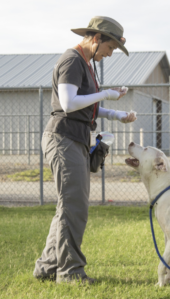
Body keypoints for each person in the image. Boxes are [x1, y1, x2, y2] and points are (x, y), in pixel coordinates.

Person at [33, 16, 136, 284]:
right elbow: (68, 103)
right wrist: (105, 95)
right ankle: (70, 272)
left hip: (76, 137)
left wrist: (116, 114)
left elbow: (85, 105)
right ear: (96, 38)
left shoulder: (86, 64)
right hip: (63, 137)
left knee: (67, 206)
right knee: (74, 207)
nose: (109, 54)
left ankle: (47, 267)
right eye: (110, 48)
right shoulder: (72, 60)